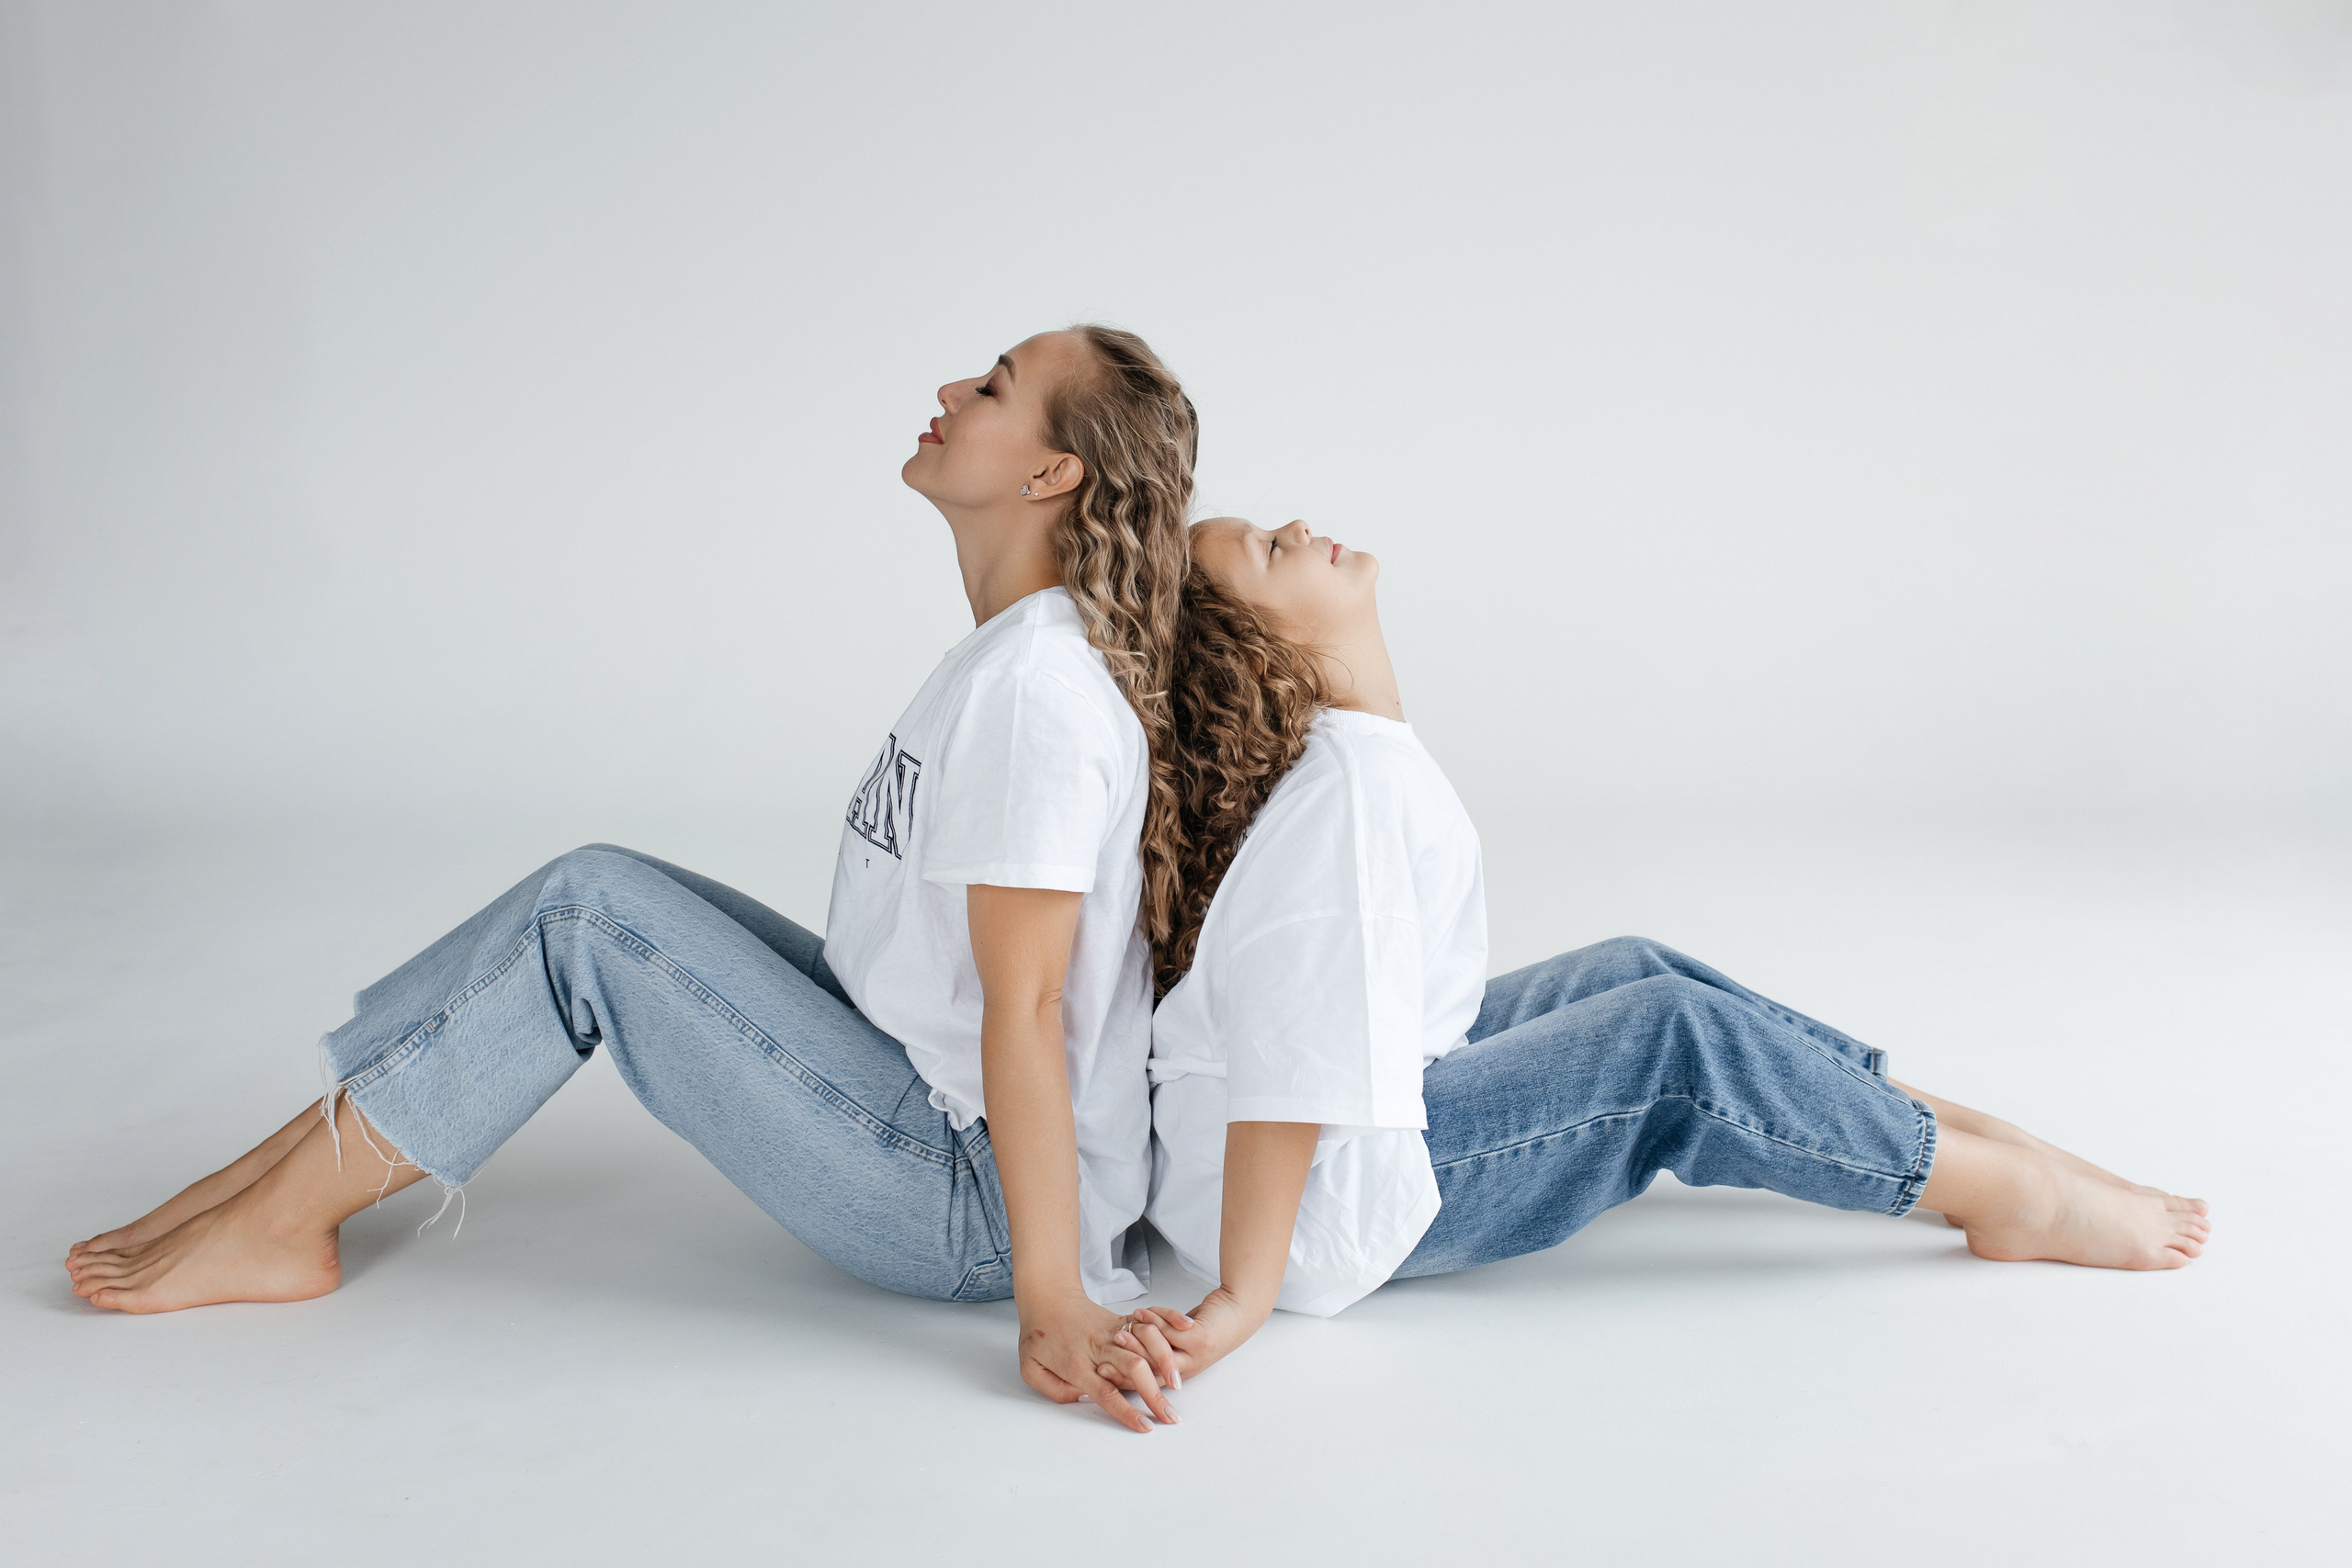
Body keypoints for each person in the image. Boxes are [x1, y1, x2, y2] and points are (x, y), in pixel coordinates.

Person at [66, 325, 1196, 1433]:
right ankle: (264, 1190)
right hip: (933, 1107)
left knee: (587, 919)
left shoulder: (1037, 688)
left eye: (993, 388)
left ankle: (277, 1224)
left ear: (1053, 473)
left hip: (970, 1201)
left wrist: (1052, 1301)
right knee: (595, 881)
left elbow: (1031, 1003)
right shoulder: (1013, 655)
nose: (952, 387)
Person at [1121, 517, 2211, 1383]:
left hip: (1335, 1134)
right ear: (1263, 650)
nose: (1300, 523)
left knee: (1632, 969)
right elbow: (1291, 1059)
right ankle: (1997, 1193)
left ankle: (1948, 1127)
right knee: (1668, 1038)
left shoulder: (1358, 760)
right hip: (1316, 1215)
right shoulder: (1347, 797)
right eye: (1269, 547)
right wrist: (1243, 1299)